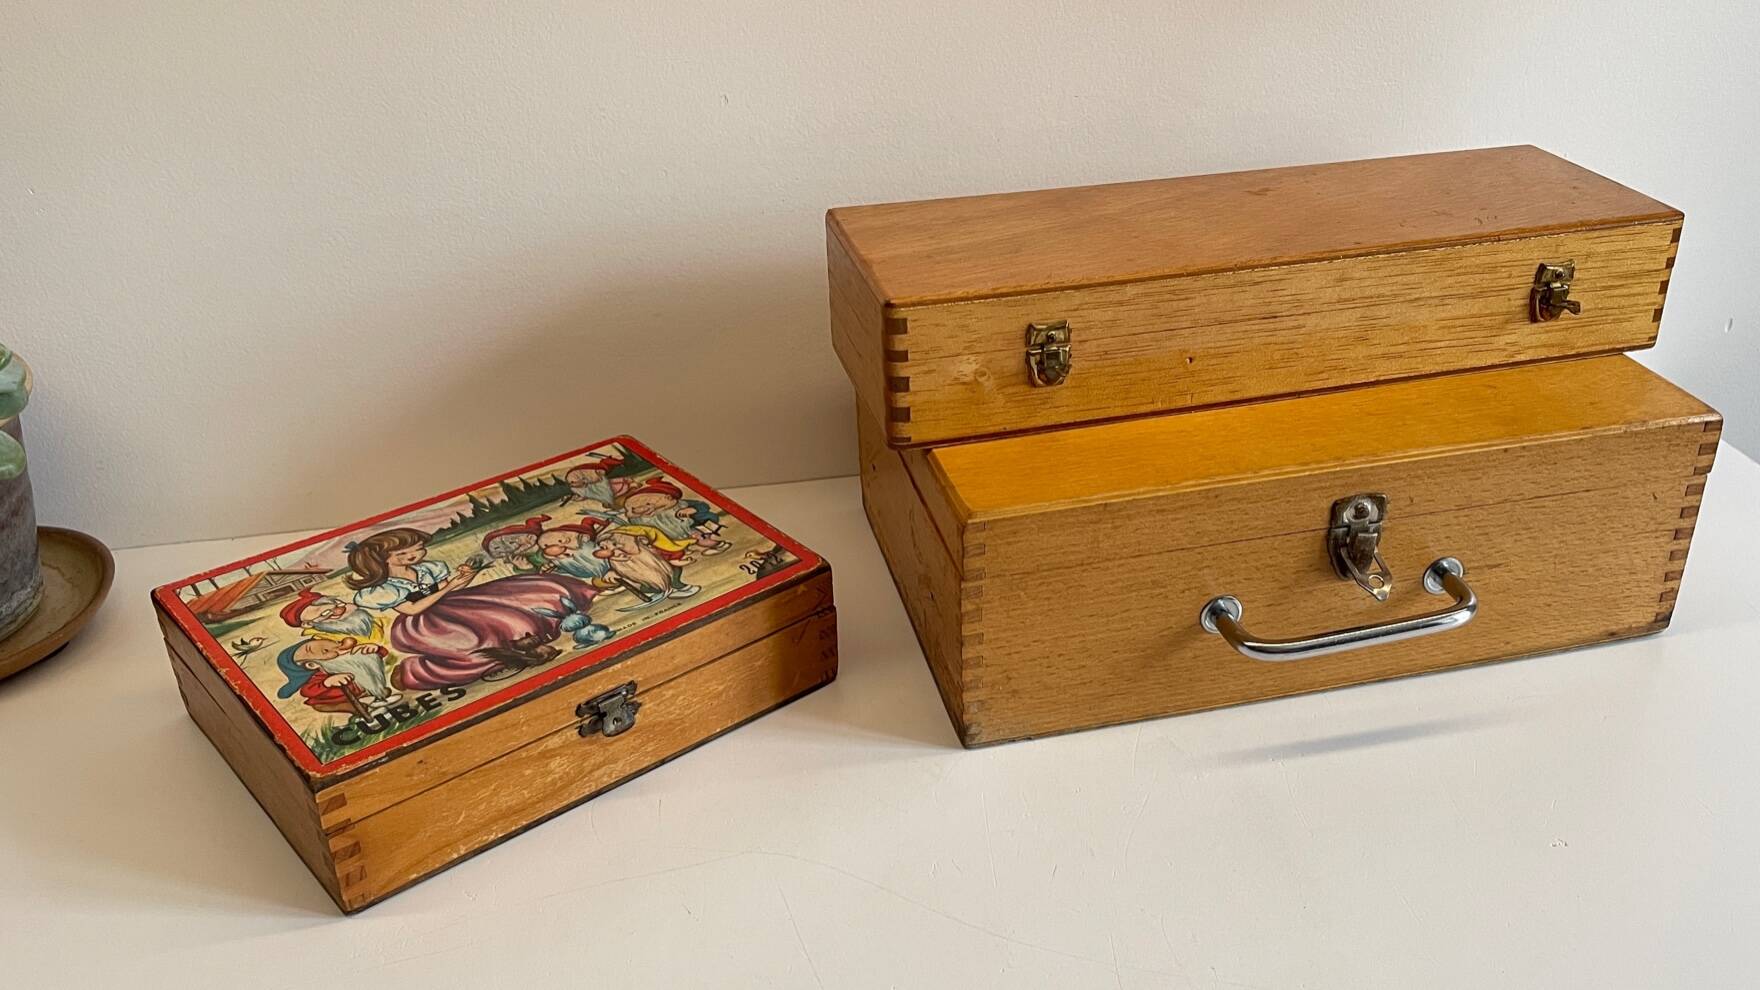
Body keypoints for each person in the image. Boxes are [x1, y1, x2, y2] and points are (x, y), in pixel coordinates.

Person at [347, 527, 599, 689]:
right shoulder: (383, 589)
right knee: (474, 641)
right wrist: (448, 588)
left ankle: (527, 641)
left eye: (418, 550)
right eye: (405, 554)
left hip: (454, 604)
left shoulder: (426, 569)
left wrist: (465, 577)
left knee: (511, 602)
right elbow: (412, 610)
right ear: (384, 560)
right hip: (425, 623)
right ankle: (416, 672)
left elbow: (448, 586)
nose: (416, 556)